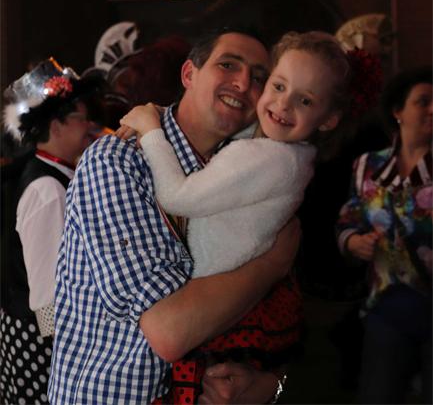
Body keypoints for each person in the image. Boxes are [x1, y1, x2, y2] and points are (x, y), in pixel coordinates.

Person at [48, 26, 303, 405]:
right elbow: (170, 331)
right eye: (228, 65)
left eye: (259, 77)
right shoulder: (120, 160)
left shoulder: (249, 171)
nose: (243, 82)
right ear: (188, 74)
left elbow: (277, 325)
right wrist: (272, 263)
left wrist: (268, 385)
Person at [118, 31, 354, 280]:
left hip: (205, 283)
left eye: (305, 101)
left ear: (329, 120)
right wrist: (161, 114)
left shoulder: (268, 159)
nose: (284, 104)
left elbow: (176, 197)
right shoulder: (290, 154)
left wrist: (151, 131)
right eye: (278, 86)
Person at [0, 58, 103, 405]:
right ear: (56, 125)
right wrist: (75, 353)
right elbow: (49, 295)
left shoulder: (51, 175)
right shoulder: (48, 189)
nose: (90, 127)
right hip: (43, 344)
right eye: (82, 118)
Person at [336, 65, 432, 404]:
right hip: (387, 310)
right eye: (423, 101)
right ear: (397, 111)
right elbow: (348, 219)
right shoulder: (368, 166)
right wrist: (353, 242)